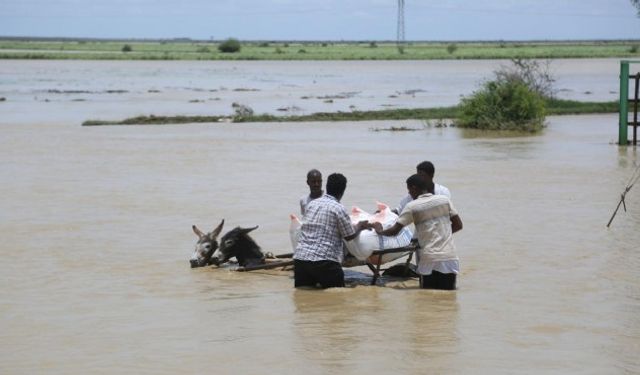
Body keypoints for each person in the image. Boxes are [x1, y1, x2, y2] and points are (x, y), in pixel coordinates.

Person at [374, 174, 462, 290]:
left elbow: (394, 231)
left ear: (414, 188)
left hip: (429, 258)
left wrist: (379, 231)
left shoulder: (412, 206)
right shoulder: (444, 200)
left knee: (428, 298)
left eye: (409, 190)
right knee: (448, 298)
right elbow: (458, 225)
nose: (409, 194)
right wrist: (441, 235)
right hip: (449, 258)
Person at [293, 173, 369, 288]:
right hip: (325, 263)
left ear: (327, 186)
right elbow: (349, 236)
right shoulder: (338, 208)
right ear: (343, 191)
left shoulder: (312, 204)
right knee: (337, 299)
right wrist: (360, 226)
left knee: (303, 299)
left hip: (300, 260)